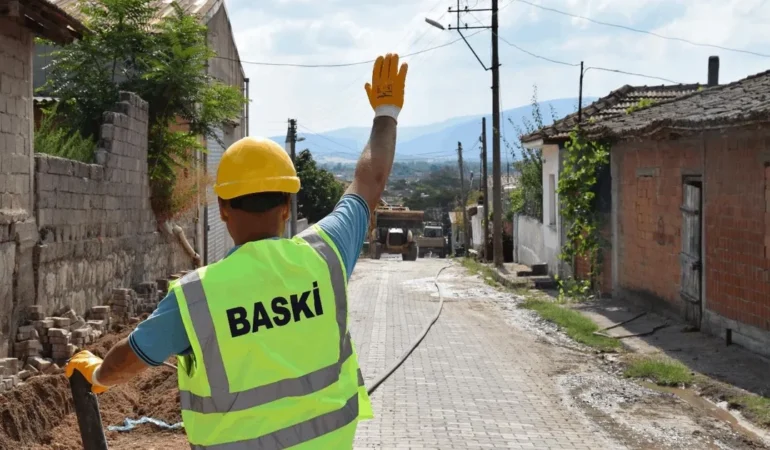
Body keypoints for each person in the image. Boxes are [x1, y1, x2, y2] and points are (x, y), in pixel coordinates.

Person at [64, 52, 409, 449]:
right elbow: (369, 181)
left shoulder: (197, 297)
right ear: (286, 206)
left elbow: (130, 358)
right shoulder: (325, 255)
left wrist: (97, 375)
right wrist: (386, 112)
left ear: (223, 209)